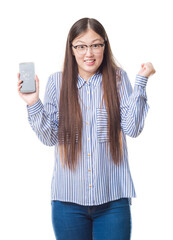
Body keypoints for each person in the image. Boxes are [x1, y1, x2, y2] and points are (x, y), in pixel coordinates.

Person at [17, 18, 156, 240]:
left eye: (96, 44)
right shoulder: (57, 83)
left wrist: (141, 81)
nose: (88, 53)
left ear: (105, 45)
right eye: (81, 46)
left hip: (113, 201)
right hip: (67, 204)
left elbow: (133, 128)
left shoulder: (118, 79)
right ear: (71, 49)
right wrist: (33, 103)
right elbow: (50, 137)